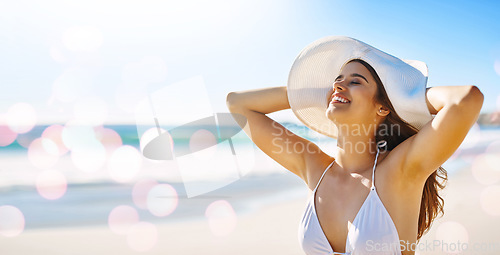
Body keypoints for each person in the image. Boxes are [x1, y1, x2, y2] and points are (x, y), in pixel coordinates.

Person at [225, 36, 483, 255]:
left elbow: (466, 99)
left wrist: (405, 99)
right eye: (338, 79)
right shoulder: (314, 168)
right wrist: (318, 93)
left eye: (355, 81)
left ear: (384, 106)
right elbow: (238, 105)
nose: (339, 84)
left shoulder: (400, 171)